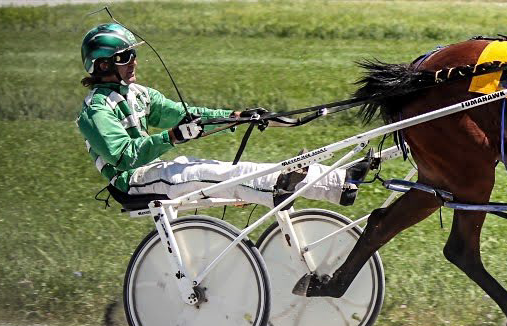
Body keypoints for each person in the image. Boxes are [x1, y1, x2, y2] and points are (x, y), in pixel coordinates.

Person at [76, 22, 358, 208]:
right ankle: (277, 188)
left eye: (133, 55)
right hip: (132, 183)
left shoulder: (138, 94)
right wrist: (173, 137)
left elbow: (185, 113)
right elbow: (124, 157)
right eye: (124, 57)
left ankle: (340, 181)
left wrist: (238, 116)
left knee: (238, 170)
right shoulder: (96, 111)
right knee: (216, 174)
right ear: (102, 66)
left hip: (155, 172)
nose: (133, 61)